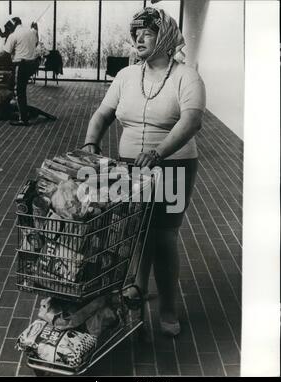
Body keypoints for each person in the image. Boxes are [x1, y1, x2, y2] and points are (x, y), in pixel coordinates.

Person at [83, 7, 206, 336]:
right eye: (135, 32)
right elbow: (102, 114)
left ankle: (168, 306)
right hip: (129, 167)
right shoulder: (125, 76)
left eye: (146, 33)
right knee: (134, 229)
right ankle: (138, 286)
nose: (137, 38)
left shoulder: (186, 76)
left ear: (164, 37)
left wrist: (158, 152)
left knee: (164, 236)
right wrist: (90, 144)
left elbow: (192, 120)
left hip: (174, 165)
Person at [0, 17, 39, 126]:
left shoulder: (13, 35)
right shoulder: (32, 31)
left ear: (13, 26)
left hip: (21, 65)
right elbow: (36, 42)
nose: (9, 31)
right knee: (15, 86)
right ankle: (18, 108)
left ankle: (23, 119)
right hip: (32, 65)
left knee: (18, 91)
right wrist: (35, 28)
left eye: (9, 28)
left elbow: (3, 54)